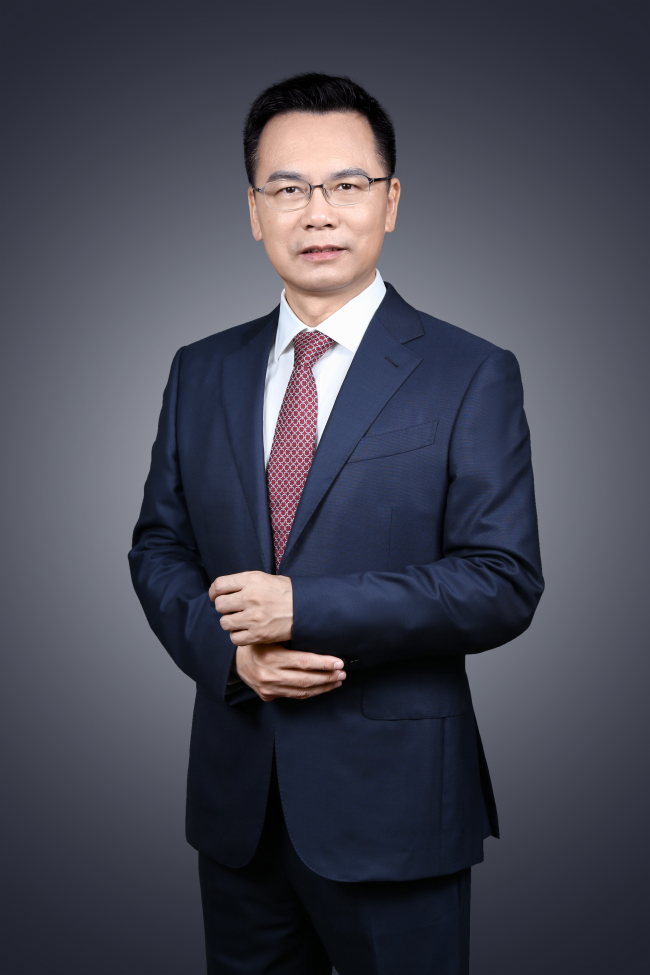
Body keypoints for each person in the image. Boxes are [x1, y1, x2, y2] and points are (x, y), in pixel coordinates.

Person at [129, 73, 544, 975]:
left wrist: (302, 607)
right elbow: (159, 544)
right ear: (254, 210)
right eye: (288, 188)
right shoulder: (201, 369)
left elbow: (502, 581)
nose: (317, 212)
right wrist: (230, 654)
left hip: (397, 811)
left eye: (346, 185)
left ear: (390, 201)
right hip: (239, 808)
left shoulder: (470, 372)